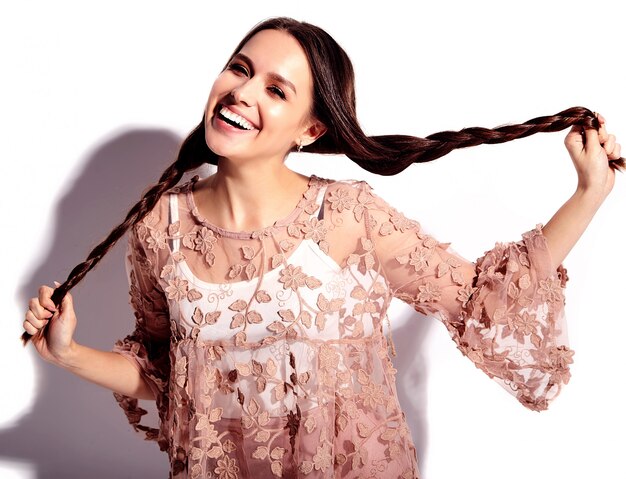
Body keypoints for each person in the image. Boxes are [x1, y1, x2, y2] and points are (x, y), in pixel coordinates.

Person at [22, 16, 622, 479]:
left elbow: (483, 303)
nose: (242, 92)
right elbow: (164, 372)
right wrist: (68, 353)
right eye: (240, 68)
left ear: (311, 130)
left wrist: (589, 194)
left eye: (277, 90)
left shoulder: (348, 217)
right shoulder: (162, 226)